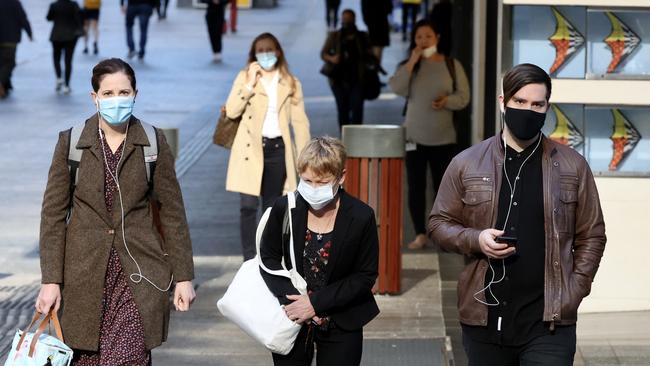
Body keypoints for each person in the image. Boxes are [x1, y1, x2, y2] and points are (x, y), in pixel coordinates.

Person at [428, 63, 606, 366]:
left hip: (549, 324)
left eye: (537, 104)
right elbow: (438, 224)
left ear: (547, 107)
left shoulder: (572, 166)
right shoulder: (467, 163)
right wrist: (476, 239)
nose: (528, 110)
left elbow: (592, 234)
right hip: (484, 318)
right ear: (503, 102)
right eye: (520, 102)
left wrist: (575, 289)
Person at [36, 58, 196, 365]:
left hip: (139, 274)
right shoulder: (71, 143)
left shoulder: (152, 142)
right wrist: (50, 280)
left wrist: (184, 276)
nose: (116, 100)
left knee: (127, 358)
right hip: (83, 276)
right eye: (108, 94)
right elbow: (53, 216)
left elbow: (172, 213)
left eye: (124, 92)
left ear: (136, 93)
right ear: (94, 97)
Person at [260, 137, 380, 365]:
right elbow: (268, 257)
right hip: (292, 318)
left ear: (341, 176)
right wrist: (295, 303)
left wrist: (314, 304)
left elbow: (365, 275)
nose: (313, 189)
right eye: (307, 181)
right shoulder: (284, 208)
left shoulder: (361, 216)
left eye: (322, 182)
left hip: (342, 319)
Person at [224, 33, 311, 261]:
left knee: (272, 209)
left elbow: (300, 122)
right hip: (250, 150)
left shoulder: (290, 82)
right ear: (253, 54)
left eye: (269, 49)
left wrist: (305, 159)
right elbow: (231, 110)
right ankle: (248, 259)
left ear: (278, 51)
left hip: (278, 150)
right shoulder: (245, 77)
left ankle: (268, 257)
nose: (265, 54)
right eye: (260, 50)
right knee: (248, 206)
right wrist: (249, 85)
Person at [389, 19, 469, 250]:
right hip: (414, 136)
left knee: (443, 188)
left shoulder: (452, 65)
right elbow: (396, 88)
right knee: (415, 186)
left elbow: (464, 97)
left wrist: (447, 101)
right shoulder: (409, 65)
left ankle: (442, 234)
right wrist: (412, 61)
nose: (423, 41)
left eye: (428, 36)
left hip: (443, 136)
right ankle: (420, 233)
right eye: (418, 37)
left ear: (438, 39)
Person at [321, 9, 374, 128]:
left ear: (355, 19)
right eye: (344, 19)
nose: (347, 22)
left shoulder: (362, 36)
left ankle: (356, 137)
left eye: (349, 19)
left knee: (357, 110)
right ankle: (344, 139)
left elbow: (370, 55)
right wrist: (332, 58)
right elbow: (323, 53)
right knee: (342, 110)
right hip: (338, 80)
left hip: (358, 79)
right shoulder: (335, 36)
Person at [47, 0, 83, 95]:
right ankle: (67, 85)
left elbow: (49, 18)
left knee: (56, 58)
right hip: (70, 36)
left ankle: (59, 77)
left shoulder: (54, 5)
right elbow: (80, 17)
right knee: (68, 61)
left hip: (56, 35)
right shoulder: (74, 5)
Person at [0, 0, 32, 99]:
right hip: (10, 38)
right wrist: (29, 32)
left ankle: (6, 85)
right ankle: (2, 82)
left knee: (2, 63)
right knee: (10, 63)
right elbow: (22, 18)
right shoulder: (15, 3)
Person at [361, 0, 393, 68]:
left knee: (374, 46)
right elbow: (389, 8)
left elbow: (364, 8)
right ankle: (374, 70)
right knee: (378, 46)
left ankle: (373, 69)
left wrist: (367, 20)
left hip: (372, 22)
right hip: (381, 21)